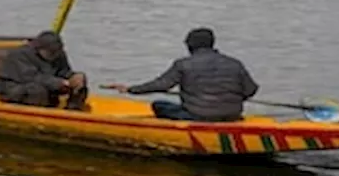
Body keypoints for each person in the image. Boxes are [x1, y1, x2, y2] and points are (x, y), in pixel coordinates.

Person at [103, 27, 258, 122]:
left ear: (190, 45)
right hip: (232, 116)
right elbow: (251, 90)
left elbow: (161, 85)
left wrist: (130, 89)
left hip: (199, 117)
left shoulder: (183, 64)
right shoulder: (234, 63)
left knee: (158, 105)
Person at [0, 30, 89, 110]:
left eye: (56, 52)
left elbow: (63, 72)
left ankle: (72, 109)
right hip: (12, 86)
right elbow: (32, 77)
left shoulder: (59, 55)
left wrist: (74, 77)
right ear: (39, 49)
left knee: (80, 86)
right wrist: (61, 83)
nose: (54, 56)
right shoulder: (20, 55)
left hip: (48, 83)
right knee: (37, 90)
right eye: (51, 53)